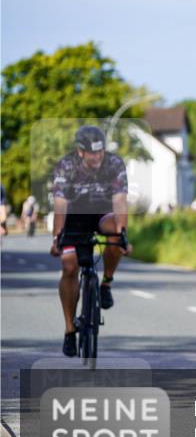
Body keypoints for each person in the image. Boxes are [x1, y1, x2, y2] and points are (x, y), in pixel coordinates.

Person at [49, 125, 132, 357]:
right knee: (69, 266)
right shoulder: (66, 166)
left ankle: (106, 282)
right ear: (80, 152)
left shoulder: (114, 164)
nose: (97, 157)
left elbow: (120, 200)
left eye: (100, 152)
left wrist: (123, 234)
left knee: (116, 236)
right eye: (92, 153)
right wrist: (57, 237)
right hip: (74, 217)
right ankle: (68, 330)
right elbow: (61, 205)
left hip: (101, 214)